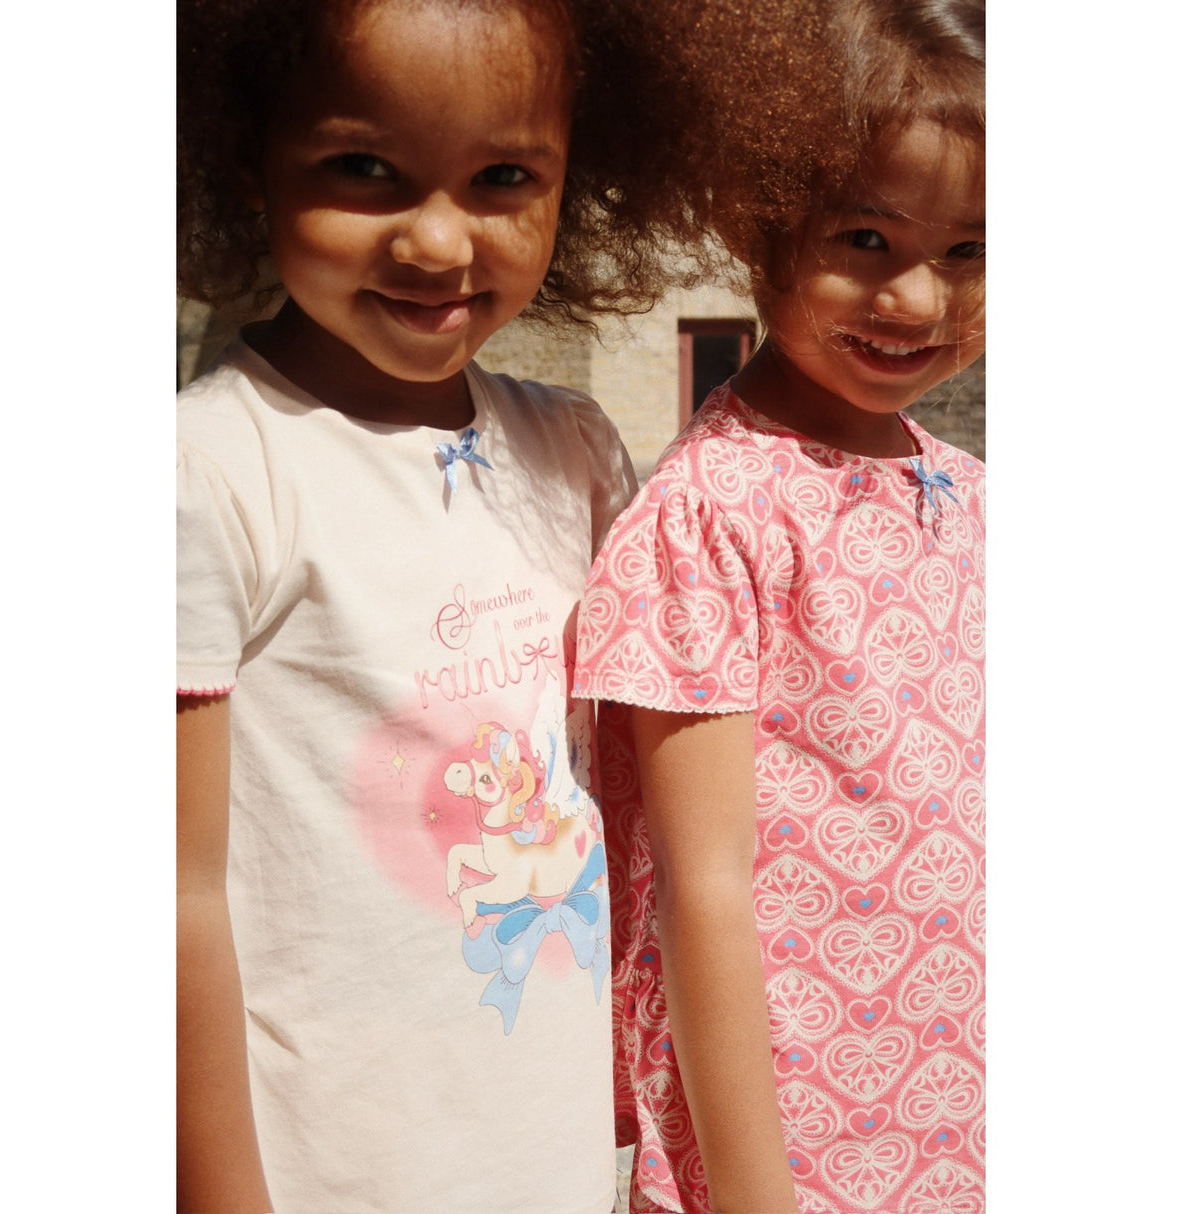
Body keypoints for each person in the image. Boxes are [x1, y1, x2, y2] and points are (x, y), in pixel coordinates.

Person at [174, 0, 806, 1209]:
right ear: (248, 154)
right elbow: (172, 898)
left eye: (502, 176)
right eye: (363, 168)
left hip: (555, 1165)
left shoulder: (572, 450)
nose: (435, 239)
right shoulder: (206, 474)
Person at [574, 1, 987, 1209]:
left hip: (966, 1116)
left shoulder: (972, 494)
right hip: (800, 1150)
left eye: (969, 250)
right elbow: (699, 890)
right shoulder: (714, 514)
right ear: (760, 219)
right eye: (864, 237)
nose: (914, 299)